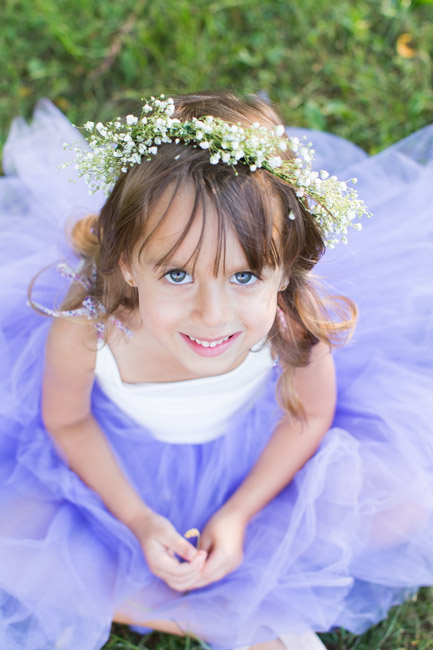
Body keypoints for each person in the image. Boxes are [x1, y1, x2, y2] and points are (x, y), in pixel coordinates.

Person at [0, 91, 432, 650]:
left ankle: (223, 574)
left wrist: (239, 514)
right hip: (124, 469)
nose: (212, 315)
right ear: (129, 263)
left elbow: (311, 416)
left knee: (405, 503)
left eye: (245, 276)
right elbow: (68, 424)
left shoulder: (293, 324)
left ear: (285, 269)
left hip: (255, 463)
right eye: (178, 276)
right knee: (14, 544)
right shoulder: (88, 330)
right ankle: (217, 617)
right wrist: (137, 519)